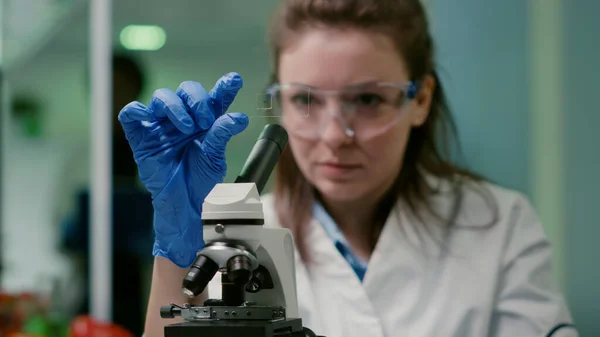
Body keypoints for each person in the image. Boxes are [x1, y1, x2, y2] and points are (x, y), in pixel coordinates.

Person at [118, 0, 578, 336]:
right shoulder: (235, 235)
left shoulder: (498, 225)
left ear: (420, 99)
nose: (335, 135)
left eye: (368, 99)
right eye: (305, 99)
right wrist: (175, 260)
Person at [58, 53, 153, 336]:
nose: (113, 98)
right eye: (105, 90)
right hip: (90, 286)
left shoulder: (155, 152)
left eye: (121, 89)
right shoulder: (79, 158)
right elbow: (59, 223)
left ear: (136, 91)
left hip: (139, 286)